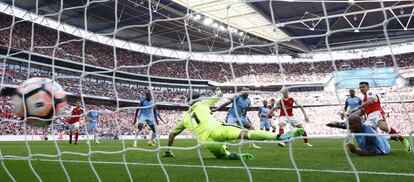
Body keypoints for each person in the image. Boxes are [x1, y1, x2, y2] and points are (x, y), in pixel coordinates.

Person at [163, 88, 304, 160]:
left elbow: (172, 134)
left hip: (207, 142)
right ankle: (280, 137)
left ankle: (232, 155)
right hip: (218, 130)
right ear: (197, 100)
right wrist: (215, 90)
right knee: (246, 133)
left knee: (222, 156)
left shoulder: (185, 117)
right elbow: (219, 93)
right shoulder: (202, 102)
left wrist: (168, 151)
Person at [349, 82, 411, 152]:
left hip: (377, 113)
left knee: (383, 127)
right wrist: (351, 115)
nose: (361, 89)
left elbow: (370, 102)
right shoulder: (363, 99)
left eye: (363, 87)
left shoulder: (370, 92)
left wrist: (356, 108)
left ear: (368, 87)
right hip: (369, 118)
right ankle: (388, 139)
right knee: (367, 133)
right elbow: (362, 112)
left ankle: (403, 140)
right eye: (360, 87)